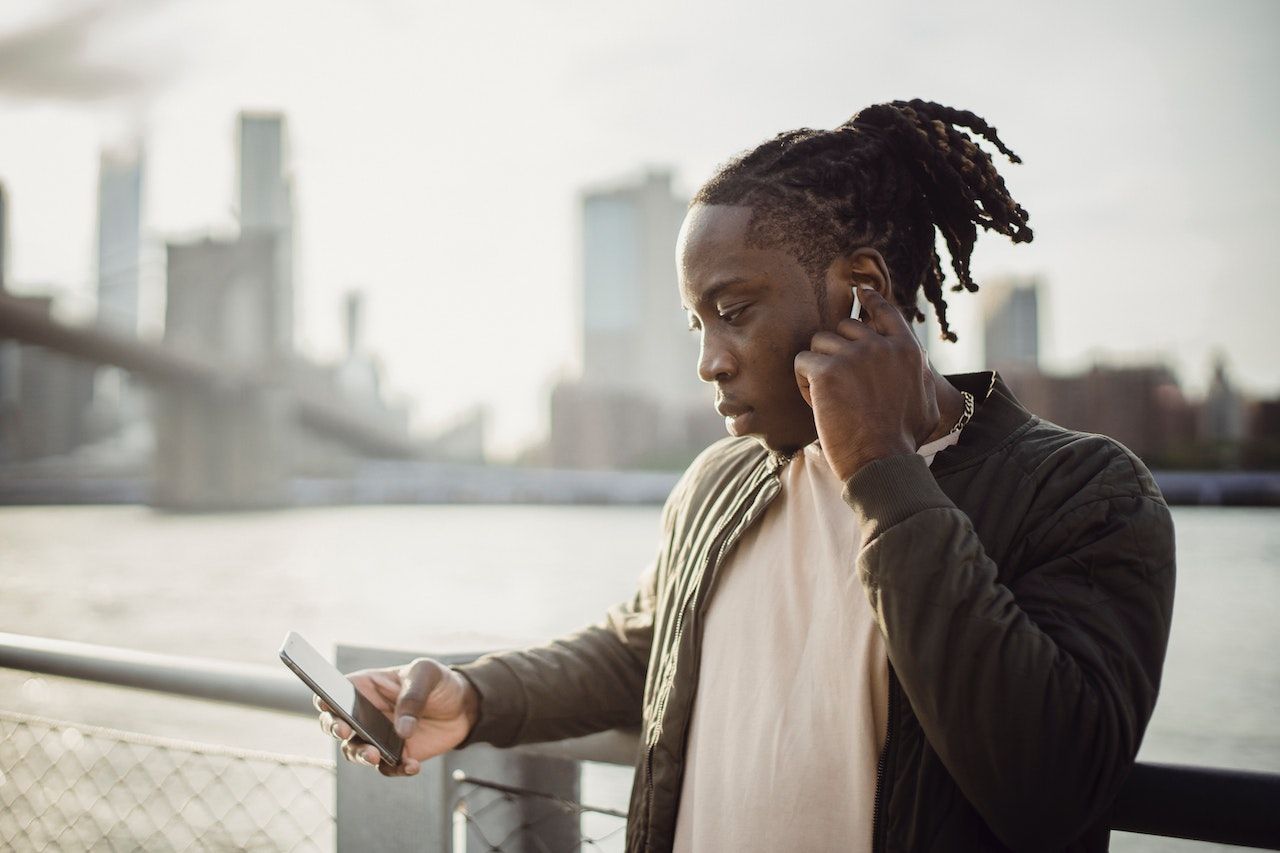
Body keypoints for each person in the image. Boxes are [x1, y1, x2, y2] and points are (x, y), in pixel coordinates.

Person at [317, 99, 1176, 852]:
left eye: (731, 314)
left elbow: (1050, 790)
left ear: (860, 290)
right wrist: (472, 695)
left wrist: (879, 465)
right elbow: (643, 649)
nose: (708, 363)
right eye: (696, 323)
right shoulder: (720, 481)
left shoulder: (1085, 491)